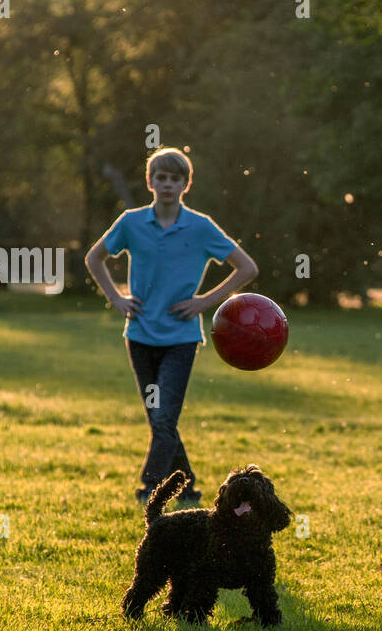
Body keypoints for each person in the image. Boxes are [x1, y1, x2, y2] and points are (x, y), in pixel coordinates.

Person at [84, 147, 259, 504]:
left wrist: (204, 302)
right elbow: (94, 257)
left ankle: (150, 487)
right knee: (160, 420)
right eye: (160, 177)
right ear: (150, 181)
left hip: (180, 338)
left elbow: (247, 268)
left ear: (185, 184)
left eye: (174, 178)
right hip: (139, 336)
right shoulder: (131, 222)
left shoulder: (200, 227)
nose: (166, 184)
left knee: (163, 420)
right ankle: (188, 487)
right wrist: (116, 297)